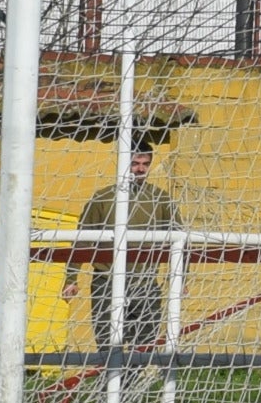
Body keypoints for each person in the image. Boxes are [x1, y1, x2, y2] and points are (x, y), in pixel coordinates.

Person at [60, 143, 188, 366]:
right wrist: (71, 278)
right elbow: (82, 239)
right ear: (123, 164)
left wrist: (181, 279)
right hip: (106, 282)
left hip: (145, 282)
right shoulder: (103, 198)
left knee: (144, 348)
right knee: (108, 348)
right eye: (135, 163)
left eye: (145, 164)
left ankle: (130, 387)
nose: (140, 169)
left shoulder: (160, 199)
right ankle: (109, 386)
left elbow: (179, 241)